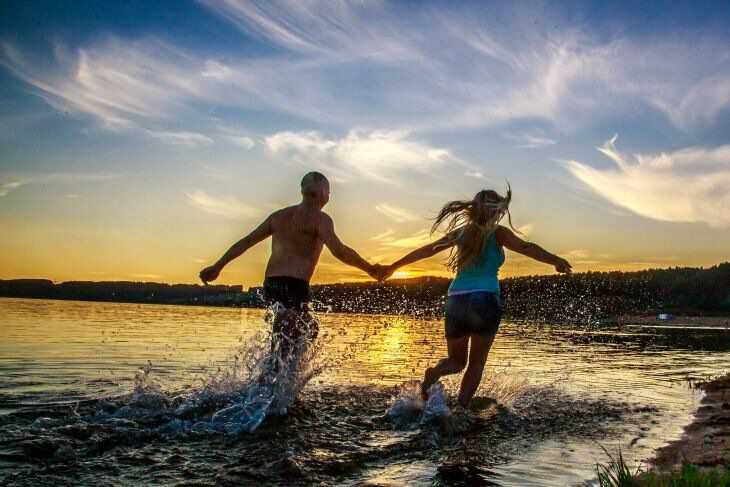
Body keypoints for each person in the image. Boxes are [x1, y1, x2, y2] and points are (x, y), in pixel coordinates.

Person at [377, 187, 572, 408]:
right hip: (485, 300)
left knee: (456, 362)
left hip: (456, 300)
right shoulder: (498, 233)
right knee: (476, 363)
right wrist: (555, 260)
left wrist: (393, 267)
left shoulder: (461, 233)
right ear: (495, 210)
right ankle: (461, 409)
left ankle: (435, 372)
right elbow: (527, 247)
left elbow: (427, 250)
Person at [199, 171, 381, 359]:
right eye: (329, 192)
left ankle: (284, 377)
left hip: (271, 284)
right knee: (287, 343)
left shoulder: (279, 216)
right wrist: (370, 269)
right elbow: (340, 251)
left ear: (303, 190)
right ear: (324, 193)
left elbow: (246, 242)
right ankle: (274, 380)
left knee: (308, 328)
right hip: (294, 285)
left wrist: (217, 266)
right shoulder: (320, 219)